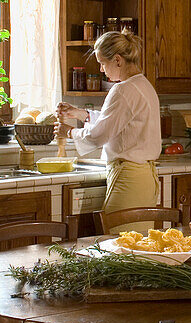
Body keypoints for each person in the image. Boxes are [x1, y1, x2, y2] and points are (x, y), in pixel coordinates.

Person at [55, 32, 161, 231]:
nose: (101, 70)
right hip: (145, 178)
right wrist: (81, 114)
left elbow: (99, 136)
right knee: (136, 247)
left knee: (118, 245)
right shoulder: (143, 85)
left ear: (118, 60)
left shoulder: (122, 90)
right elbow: (118, 123)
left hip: (128, 178)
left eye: (103, 63)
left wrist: (69, 132)